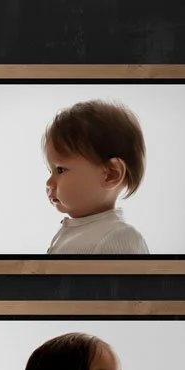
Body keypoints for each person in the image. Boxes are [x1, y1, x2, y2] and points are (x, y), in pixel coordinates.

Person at [43, 99, 150, 255]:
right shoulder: (80, 232)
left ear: (110, 174)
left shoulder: (118, 238)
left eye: (60, 170)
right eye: (49, 171)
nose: (49, 182)